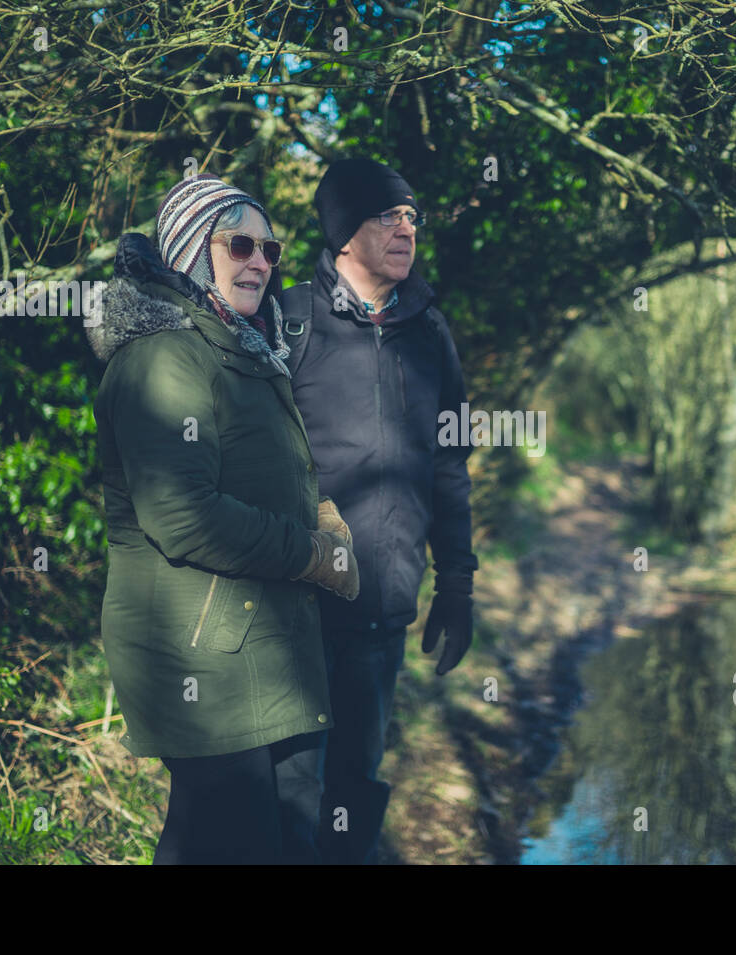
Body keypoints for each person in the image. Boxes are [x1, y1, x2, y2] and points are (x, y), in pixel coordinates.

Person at [86, 173, 360, 864]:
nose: (261, 261)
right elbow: (182, 513)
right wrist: (313, 553)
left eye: (269, 247)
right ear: (186, 250)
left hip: (270, 648)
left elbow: (259, 468)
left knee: (279, 838)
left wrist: (320, 513)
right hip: (207, 660)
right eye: (239, 244)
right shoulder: (164, 356)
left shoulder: (243, 344)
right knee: (229, 845)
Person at [279, 158, 478, 864]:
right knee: (287, 796)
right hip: (292, 612)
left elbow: (450, 466)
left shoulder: (430, 333)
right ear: (342, 232)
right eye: (387, 215)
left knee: (353, 793)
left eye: (412, 216)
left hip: (382, 614)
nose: (406, 228)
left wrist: (456, 582)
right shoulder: (290, 320)